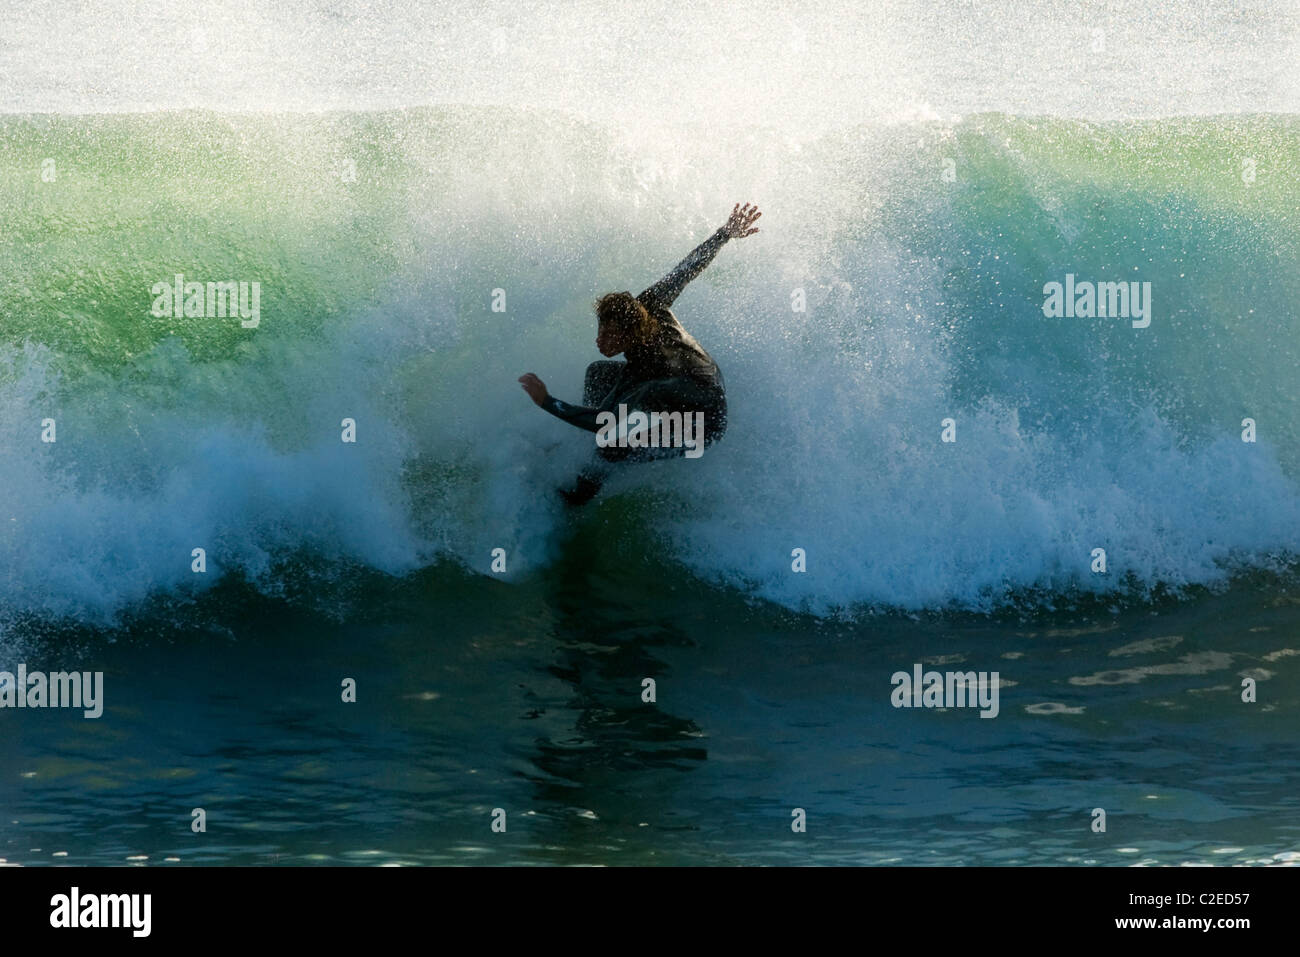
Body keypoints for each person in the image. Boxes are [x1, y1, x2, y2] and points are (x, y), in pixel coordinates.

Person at [520, 202, 761, 504]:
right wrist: (724, 234)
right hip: (676, 392)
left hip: (702, 427)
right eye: (600, 330)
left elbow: (605, 421)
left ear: (629, 334)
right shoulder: (648, 305)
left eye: (608, 335)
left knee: (612, 441)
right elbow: (687, 268)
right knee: (598, 372)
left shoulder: (644, 377)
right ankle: (588, 445)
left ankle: (577, 498)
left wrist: (547, 402)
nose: (599, 340)